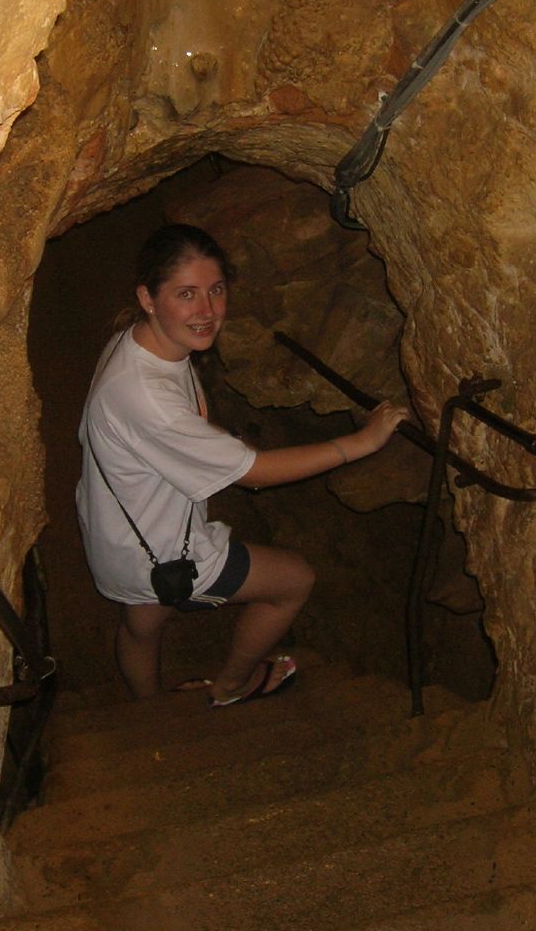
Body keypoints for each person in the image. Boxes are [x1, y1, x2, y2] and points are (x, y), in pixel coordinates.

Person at [76, 223, 409, 706]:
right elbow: (254, 472)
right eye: (186, 294)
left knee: (141, 627)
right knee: (294, 581)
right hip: (170, 555)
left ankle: (148, 713)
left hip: (119, 538)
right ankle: (231, 687)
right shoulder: (146, 395)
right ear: (148, 297)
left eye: (215, 290)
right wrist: (362, 442)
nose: (207, 311)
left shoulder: (139, 343)